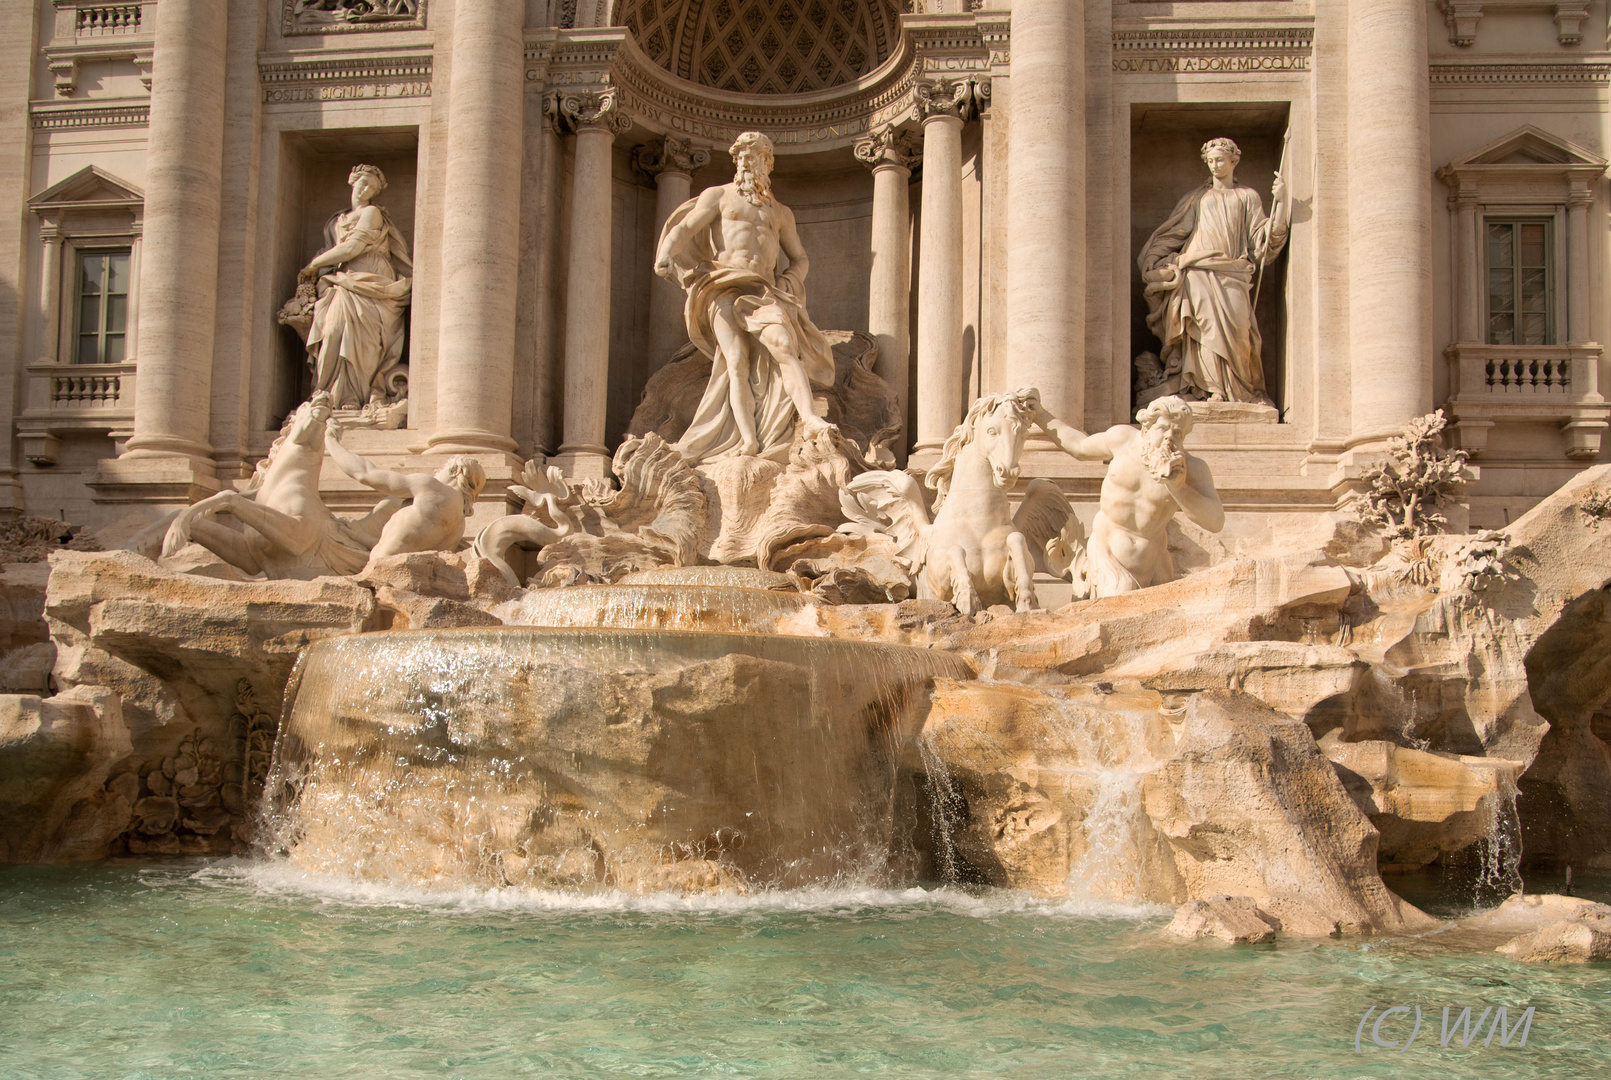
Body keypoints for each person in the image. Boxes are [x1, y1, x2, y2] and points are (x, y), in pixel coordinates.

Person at [653, 131, 836, 463]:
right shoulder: (719, 196)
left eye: (751, 156)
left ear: (767, 162)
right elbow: (685, 228)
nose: (744, 162)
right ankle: (748, 441)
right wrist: (666, 253)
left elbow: (801, 258)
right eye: (739, 157)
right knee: (735, 363)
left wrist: (789, 281)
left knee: (783, 344)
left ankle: (809, 418)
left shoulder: (780, 213)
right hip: (722, 284)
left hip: (764, 291)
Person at [1138, 137, 1289, 405]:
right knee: (1204, 329)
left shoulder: (1247, 196)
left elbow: (1262, 240)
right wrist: (1153, 256)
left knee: (1239, 331)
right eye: (1210, 161)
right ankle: (1209, 389)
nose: (1215, 165)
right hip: (1197, 269)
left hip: (1234, 271)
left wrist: (1282, 204)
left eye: (1220, 160)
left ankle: (1239, 391)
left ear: (1234, 160)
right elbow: (1175, 232)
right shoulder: (1197, 197)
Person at [1031, 395, 1225, 596]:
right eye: (1163, 429)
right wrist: (1040, 414)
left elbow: (1215, 521)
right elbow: (1079, 447)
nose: (1169, 437)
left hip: (1154, 563)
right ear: (1147, 428)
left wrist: (1178, 488)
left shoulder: (1193, 469)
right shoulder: (1122, 440)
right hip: (1108, 553)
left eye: (1177, 433)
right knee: (1119, 596)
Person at [296, 164, 413, 411]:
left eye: (372, 187)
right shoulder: (336, 221)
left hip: (373, 283)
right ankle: (328, 393)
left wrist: (314, 264)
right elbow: (336, 251)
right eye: (363, 183)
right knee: (332, 330)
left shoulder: (371, 213)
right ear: (352, 180)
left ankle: (354, 397)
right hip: (343, 281)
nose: (366, 189)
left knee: (366, 340)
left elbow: (352, 249)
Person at [323, 423, 486, 570]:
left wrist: (331, 441)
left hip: (380, 572)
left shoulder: (431, 487)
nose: (437, 471)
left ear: (454, 471)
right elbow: (405, 549)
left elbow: (365, 473)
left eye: (443, 467)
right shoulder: (458, 526)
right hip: (401, 575)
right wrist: (357, 536)